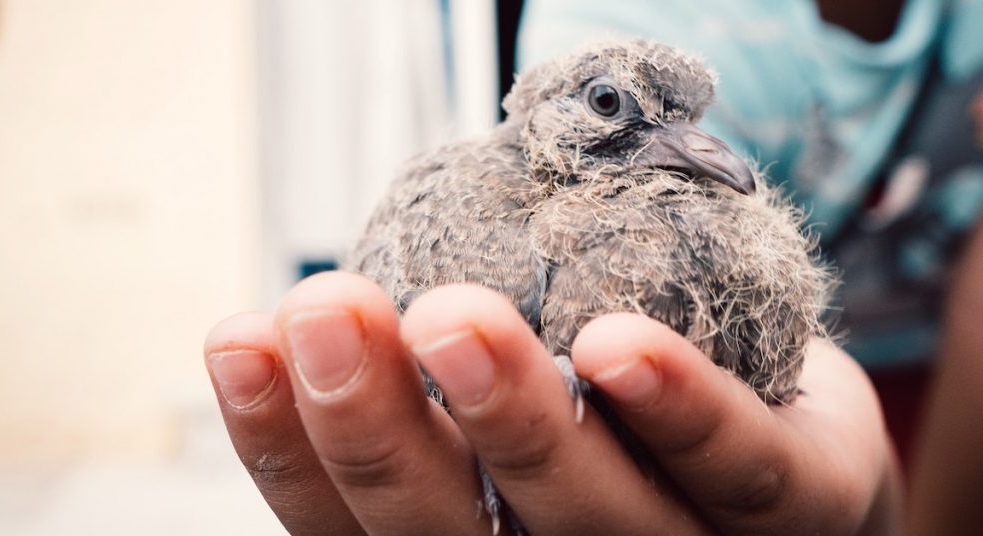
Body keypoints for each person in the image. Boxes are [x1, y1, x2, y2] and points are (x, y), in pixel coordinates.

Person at [203, 0, 981, 533]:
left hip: (932, 390)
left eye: (684, 126)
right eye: (612, 107)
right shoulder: (631, 16)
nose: (693, 146)